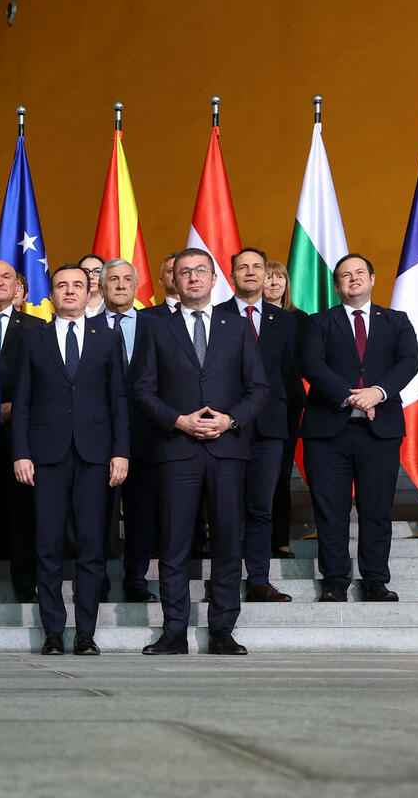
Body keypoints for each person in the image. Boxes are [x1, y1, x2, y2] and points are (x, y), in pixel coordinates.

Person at [133, 248, 268, 655]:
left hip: (227, 450)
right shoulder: (155, 326)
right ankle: (174, 630)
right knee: (174, 543)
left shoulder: (237, 326)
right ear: (174, 280)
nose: (192, 277)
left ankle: (222, 630)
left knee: (227, 541)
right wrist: (178, 420)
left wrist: (230, 420)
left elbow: (259, 388)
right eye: (184, 272)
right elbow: (142, 390)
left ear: (214, 279)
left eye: (200, 271)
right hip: (177, 450)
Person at [12, 264, 129, 655]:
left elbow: (119, 400)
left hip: (96, 455)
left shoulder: (108, 338)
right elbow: (22, 403)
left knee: (92, 547)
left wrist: (121, 451)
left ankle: (86, 634)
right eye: (62, 285)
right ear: (52, 294)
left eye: (77, 285)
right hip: (46, 457)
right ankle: (52, 632)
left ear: (88, 291)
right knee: (47, 546)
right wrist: (21, 453)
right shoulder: (34, 338)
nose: (70, 291)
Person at [300, 253, 418, 602]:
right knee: (330, 511)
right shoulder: (318, 323)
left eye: (359, 273)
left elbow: (409, 362)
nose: (353, 278)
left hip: (379, 433)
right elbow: (311, 364)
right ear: (337, 285)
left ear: (372, 279)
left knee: (377, 510)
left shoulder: (396, 320)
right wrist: (351, 397)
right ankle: (335, 581)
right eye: (345, 275)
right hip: (327, 434)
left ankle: (376, 580)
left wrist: (377, 393)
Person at [218, 248, 300, 602]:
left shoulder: (285, 320)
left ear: (266, 275)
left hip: (270, 427)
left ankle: (258, 580)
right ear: (231, 275)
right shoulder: (216, 315)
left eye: (257, 267)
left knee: (261, 508)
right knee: (225, 509)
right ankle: (223, 582)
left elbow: (291, 372)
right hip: (225, 425)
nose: (251, 272)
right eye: (243, 267)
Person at [0, 259, 41, 604]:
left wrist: (15, 408)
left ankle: (26, 587)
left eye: (6, 278)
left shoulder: (38, 328)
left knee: (23, 514)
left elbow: (46, 382)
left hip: (22, 436)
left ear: (18, 287)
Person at [99, 258, 161, 603]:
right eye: (113, 279)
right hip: (98, 436)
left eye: (127, 279)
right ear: (101, 286)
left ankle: (136, 579)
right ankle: (98, 579)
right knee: (98, 513)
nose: (121, 285)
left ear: (136, 286)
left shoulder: (158, 325)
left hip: (147, 435)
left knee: (141, 512)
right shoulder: (87, 326)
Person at [263, 259, 306, 558]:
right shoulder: (244, 317)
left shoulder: (300, 319)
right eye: (269, 277)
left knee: (280, 472)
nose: (274, 282)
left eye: (280, 277)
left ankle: (280, 538)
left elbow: (302, 362)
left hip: (287, 403)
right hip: (249, 405)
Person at [78, 254, 106, 318]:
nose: (90, 276)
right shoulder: (69, 307)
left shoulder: (115, 307)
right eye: (85, 271)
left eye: (97, 271)